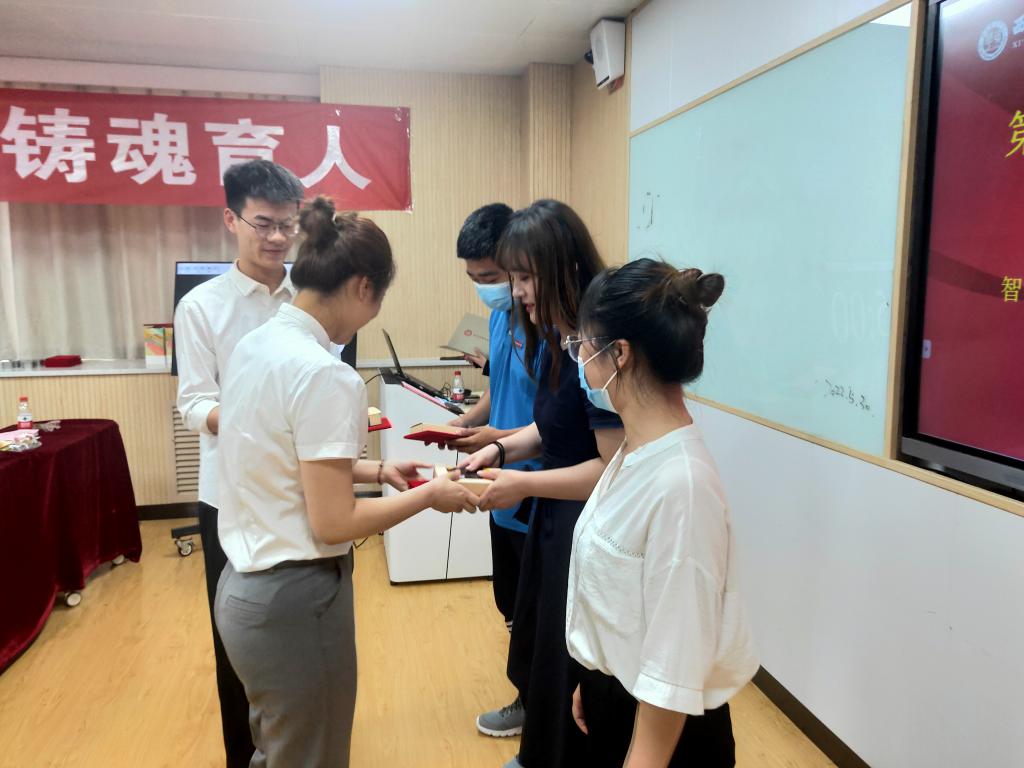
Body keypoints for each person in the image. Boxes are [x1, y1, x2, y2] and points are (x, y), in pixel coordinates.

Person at [214, 197, 480, 768]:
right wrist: (429, 495)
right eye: (378, 300)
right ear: (363, 287)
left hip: (243, 591)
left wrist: (377, 469)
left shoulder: (255, 346)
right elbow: (334, 521)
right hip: (295, 599)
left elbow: (278, 459)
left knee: (278, 749)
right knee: (313, 756)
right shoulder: (325, 375)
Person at [565, 260, 759, 767]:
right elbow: (624, 596)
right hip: (616, 701)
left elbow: (676, 660)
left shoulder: (682, 486)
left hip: (665, 739)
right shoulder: (635, 450)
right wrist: (598, 672)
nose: (579, 359)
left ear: (619, 354)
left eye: (582, 345)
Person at [463, 199, 624, 768]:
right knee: (542, 655)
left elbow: (609, 468)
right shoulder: (559, 339)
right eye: (512, 278)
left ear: (564, 269)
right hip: (555, 524)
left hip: (584, 528)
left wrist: (525, 486)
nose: (517, 292)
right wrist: (500, 449)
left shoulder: (597, 349)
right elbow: (551, 426)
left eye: (525, 277)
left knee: (570, 667)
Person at [174, 159, 304, 767]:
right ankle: (244, 754)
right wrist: (258, 417)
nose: (277, 237)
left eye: (288, 225)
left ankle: (298, 743)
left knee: (298, 626)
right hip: (229, 498)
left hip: (301, 492)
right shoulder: (203, 307)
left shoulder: (308, 295)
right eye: (263, 224)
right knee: (236, 636)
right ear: (231, 220)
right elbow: (195, 404)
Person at [446, 203, 545, 738]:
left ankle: (534, 703)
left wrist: (497, 440)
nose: (484, 288)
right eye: (474, 279)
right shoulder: (499, 317)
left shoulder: (548, 327)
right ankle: (532, 696)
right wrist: (467, 422)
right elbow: (498, 390)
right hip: (497, 484)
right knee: (509, 601)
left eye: (490, 277)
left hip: (535, 485)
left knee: (535, 611)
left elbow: (554, 423)